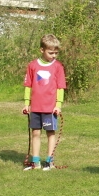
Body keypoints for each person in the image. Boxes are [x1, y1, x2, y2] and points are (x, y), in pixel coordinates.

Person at [22, 34, 66, 171]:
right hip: (35, 107)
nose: (54, 55)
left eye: (56, 53)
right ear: (42, 50)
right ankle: (35, 162)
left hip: (50, 108)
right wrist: (26, 103)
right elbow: (28, 85)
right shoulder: (32, 65)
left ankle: (49, 161)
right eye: (50, 52)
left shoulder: (58, 66)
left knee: (50, 133)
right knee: (35, 133)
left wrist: (58, 105)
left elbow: (60, 87)